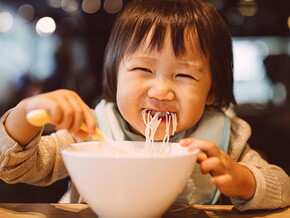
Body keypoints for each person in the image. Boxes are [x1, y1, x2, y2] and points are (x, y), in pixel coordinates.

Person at [0, 0, 289, 211]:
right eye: (143, 70)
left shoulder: (225, 138)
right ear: (116, 75)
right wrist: (27, 113)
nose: (162, 91)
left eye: (184, 75)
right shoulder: (91, 129)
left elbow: (283, 187)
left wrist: (242, 180)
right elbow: (15, 168)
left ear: (212, 91)